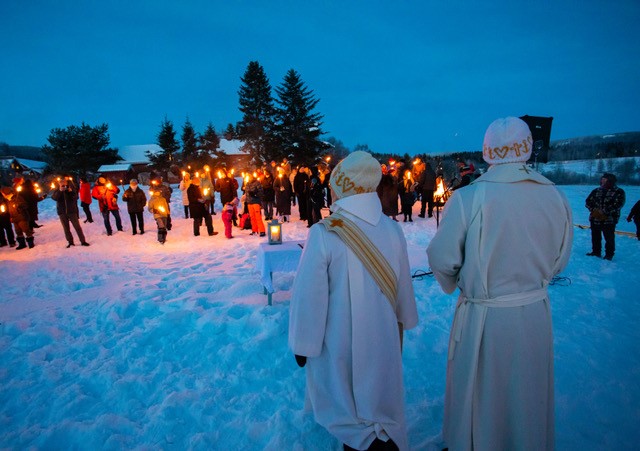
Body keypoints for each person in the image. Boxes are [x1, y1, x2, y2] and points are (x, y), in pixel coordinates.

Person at [427, 117, 573, 451]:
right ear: (527, 148)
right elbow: (560, 258)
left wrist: (463, 284)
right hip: (534, 313)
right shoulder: (554, 196)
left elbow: (441, 256)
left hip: (486, 318)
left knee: (483, 393)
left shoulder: (469, 198)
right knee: (527, 394)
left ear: (488, 150)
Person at [289, 151, 418, 451]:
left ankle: (361, 440)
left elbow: (309, 297)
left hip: (341, 338)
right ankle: (382, 434)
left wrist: (302, 344)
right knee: (379, 389)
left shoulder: (324, 233)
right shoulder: (392, 228)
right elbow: (403, 284)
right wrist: (405, 316)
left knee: (346, 396)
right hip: (384, 334)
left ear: (341, 186)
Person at [585, 173, 626, 260]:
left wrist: (604, 212)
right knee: (595, 236)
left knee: (609, 238)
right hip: (595, 218)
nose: (602, 181)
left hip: (609, 219)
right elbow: (588, 201)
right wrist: (593, 210)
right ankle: (596, 252)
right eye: (602, 179)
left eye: (605, 179)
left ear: (610, 180)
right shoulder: (596, 191)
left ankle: (609, 255)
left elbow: (619, 204)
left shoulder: (618, 191)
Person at [50, 179, 90, 248]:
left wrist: (70, 192)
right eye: (62, 183)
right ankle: (70, 242)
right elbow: (54, 198)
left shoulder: (70, 189)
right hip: (62, 212)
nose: (63, 185)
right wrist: (60, 191)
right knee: (66, 228)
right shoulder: (57, 190)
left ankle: (83, 241)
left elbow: (76, 197)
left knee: (77, 227)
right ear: (59, 184)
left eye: (65, 183)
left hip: (72, 211)